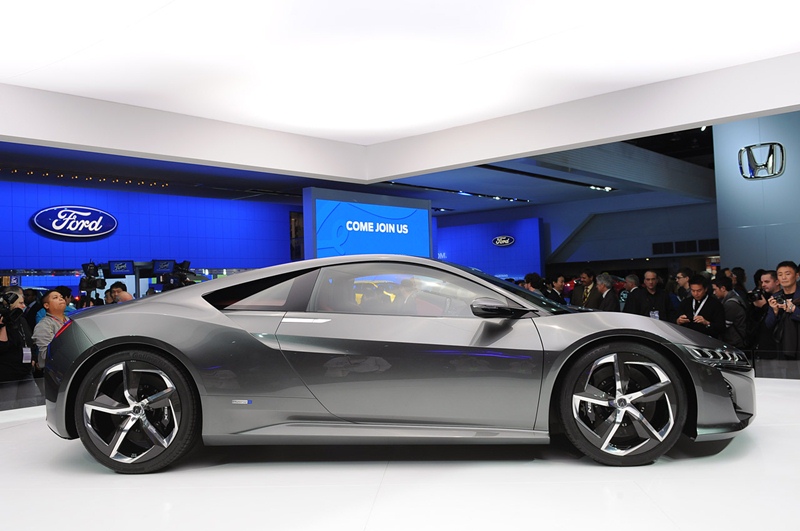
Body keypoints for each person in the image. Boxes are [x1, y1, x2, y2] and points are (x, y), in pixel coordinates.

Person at [765, 261, 800, 363]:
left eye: (787, 274)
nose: (783, 277)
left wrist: (793, 309)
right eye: (780, 275)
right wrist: (775, 311)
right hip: (783, 345)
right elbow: (768, 324)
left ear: (797, 275)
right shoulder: (776, 297)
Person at [0, 287, 34, 382]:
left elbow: (28, 339)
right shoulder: (4, 322)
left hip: (26, 369)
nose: (24, 306)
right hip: (8, 372)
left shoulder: (22, 320)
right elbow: (3, 346)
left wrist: (32, 358)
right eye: (21, 303)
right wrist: (3, 325)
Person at [676, 274, 725, 338]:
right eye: (693, 291)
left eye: (699, 291)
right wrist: (678, 321)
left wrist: (707, 323)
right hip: (687, 337)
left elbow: (721, 328)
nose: (696, 294)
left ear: (705, 289)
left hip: (707, 339)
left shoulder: (715, 304)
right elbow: (675, 319)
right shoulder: (685, 302)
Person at [32, 290, 69, 368]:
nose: (61, 299)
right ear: (46, 305)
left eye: (61, 297)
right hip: (55, 368)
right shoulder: (43, 325)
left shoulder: (70, 320)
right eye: (55, 297)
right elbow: (46, 354)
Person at [712, 275, 748, 349]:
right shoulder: (735, 298)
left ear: (723, 288)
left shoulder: (730, 304)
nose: (714, 292)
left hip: (734, 341)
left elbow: (724, 325)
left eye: (715, 289)